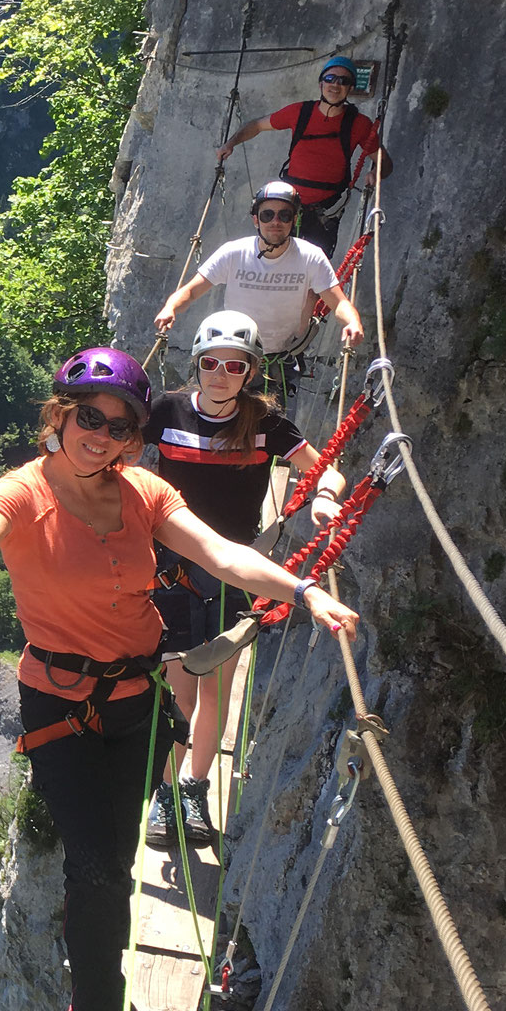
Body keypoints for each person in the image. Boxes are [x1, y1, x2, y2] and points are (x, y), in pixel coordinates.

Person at [0, 347, 359, 1011]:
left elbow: (220, 553)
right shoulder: (22, 491)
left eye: (119, 426)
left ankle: (105, 994)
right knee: (99, 866)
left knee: (111, 855)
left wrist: (301, 589)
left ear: (134, 438)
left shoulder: (143, 492)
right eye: (88, 418)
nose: (101, 435)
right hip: (61, 709)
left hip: (139, 705)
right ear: (61, 416)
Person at [141, 310, 346, 853]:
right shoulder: (164, 410)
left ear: (250, 370)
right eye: (211, 362)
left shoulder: (264, 423)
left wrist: (324, 494)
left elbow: (325, 467)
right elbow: (112, 444)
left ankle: (194, 789)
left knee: (216, 685)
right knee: (179, 692)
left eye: (235, 365)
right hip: (169, 567)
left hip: (232, 566)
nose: (221, 374)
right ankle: (167, 794)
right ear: (197, 363)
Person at [153, 181, 364, 397]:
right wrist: (171, 308)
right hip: (232, 359)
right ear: (256, 219)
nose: (275, 221)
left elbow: (338, 302)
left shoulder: (311, 257)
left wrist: (352, 322)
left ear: (294, 220)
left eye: (284, 215)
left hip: (278, 362)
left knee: (270, 428)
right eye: (267, 215)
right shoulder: (234, 253)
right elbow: (191, 291)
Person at [215, 54, 391, 256]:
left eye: (344, 81)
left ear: (350, 88)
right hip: (289, 204)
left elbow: (384, 162)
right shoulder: (300, 112)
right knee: (275, 258)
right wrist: (231, 143)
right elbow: (257, 125)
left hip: (325, 210)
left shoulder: (359, 124)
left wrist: (378, 173)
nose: (335, 85)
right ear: (321, 83)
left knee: (314, 271)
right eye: (330, 78)